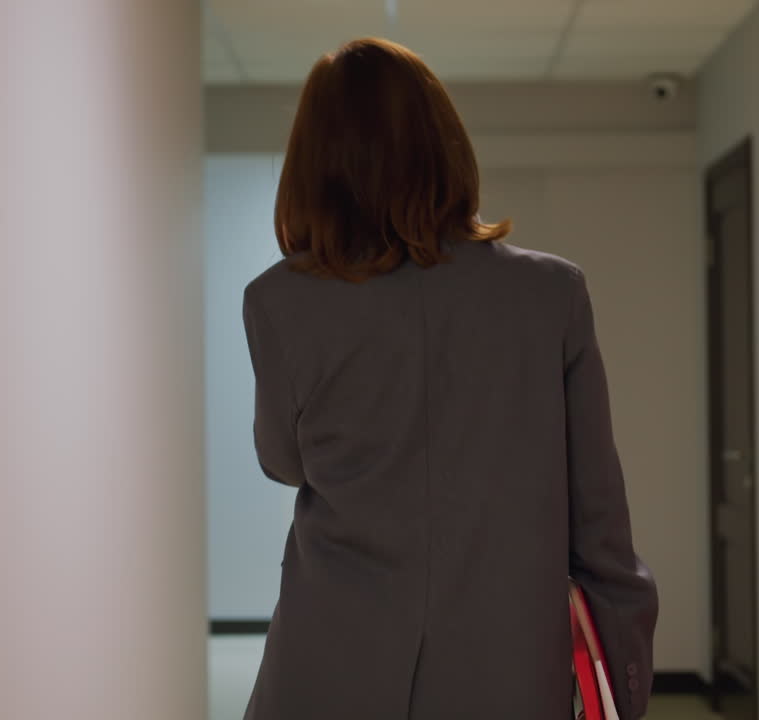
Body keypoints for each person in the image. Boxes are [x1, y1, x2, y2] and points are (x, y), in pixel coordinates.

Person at [241, 37, 657, 720]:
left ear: (315, 163)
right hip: (510, 674)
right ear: (445, 146)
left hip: (329, 667)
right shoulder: (550, 293)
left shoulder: (278, 300)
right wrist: (627, 688)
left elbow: (285, 462)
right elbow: (599, 522)